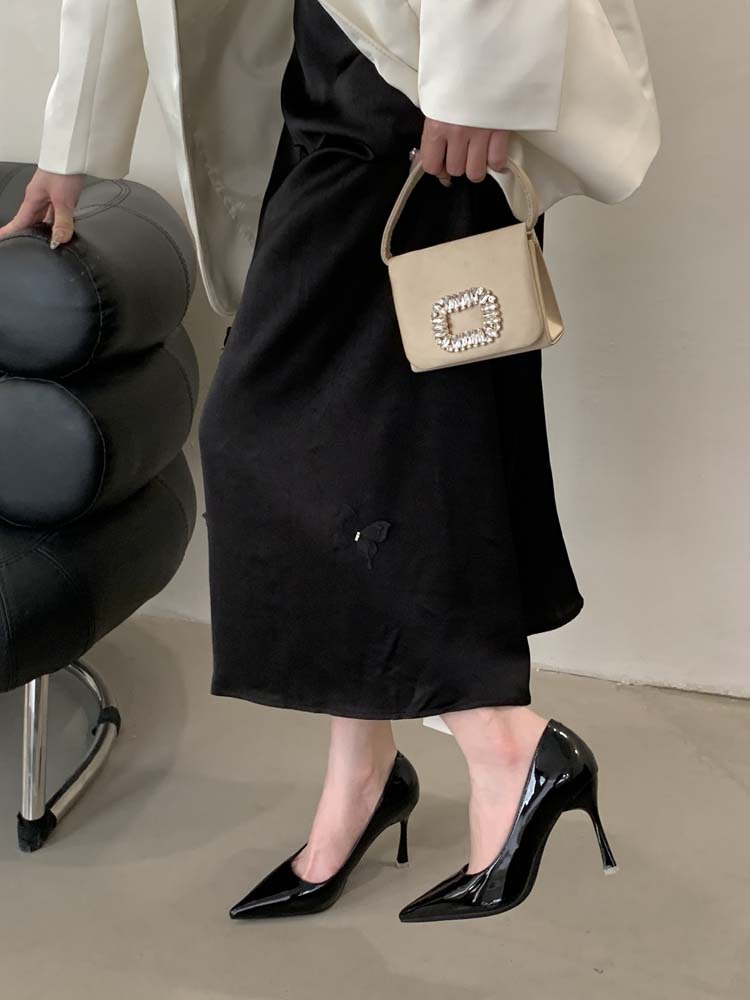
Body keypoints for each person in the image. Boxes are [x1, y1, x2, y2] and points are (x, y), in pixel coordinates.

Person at [1, 0, 657, 922]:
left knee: (293, 438)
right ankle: (364, 769)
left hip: (416, 70)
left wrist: (478, 73)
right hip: (319, 63)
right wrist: (70, 148)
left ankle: (507, 745)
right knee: (377, 444)